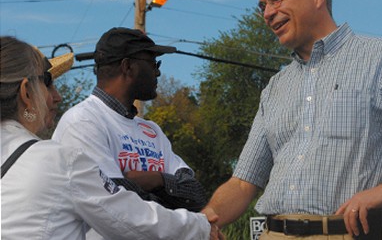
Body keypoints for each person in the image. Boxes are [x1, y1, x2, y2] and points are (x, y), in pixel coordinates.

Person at [202, 0, 382, 240]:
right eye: (263, 6)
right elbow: (243, 183)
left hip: (348, 233)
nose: (267, 13)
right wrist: (202, 221)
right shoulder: (275, 88)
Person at [0, 36, 218, 240]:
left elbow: (193, 192)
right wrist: (201, 226)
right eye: (48, 82)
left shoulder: (150, 129)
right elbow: (129, 217)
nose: (56, 96)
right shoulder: (58, 159)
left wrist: (157, 181)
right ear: (27, 92)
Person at [52, 27, 209, 238]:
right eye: (154, 64)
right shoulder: (83, 122)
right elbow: (118, 209)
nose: (158, 72)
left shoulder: (152, 130)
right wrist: (176, 208)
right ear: (128, 67)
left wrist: (157, 179)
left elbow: (196, 195)